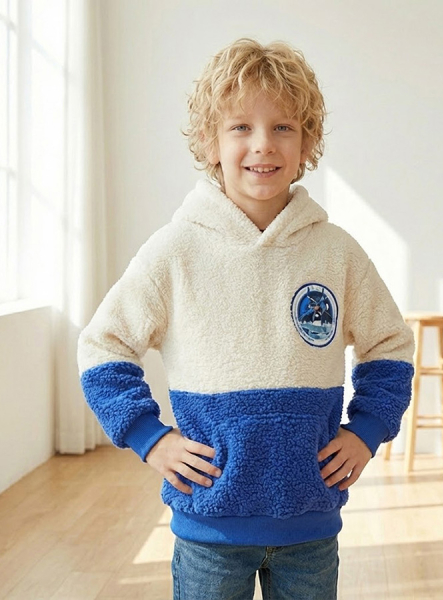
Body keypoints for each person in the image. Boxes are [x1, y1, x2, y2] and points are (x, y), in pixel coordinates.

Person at [78, 38, 414, 600]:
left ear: (307, 143)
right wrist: (150, 438)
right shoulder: (175, 251)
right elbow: (103, 346)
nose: (263, 144)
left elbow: (390, 344)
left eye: (283, 127)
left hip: (310, 525)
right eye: (241, 127)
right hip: (208, 528)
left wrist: (367, 430)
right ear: (210, 142)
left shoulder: (336, 252)